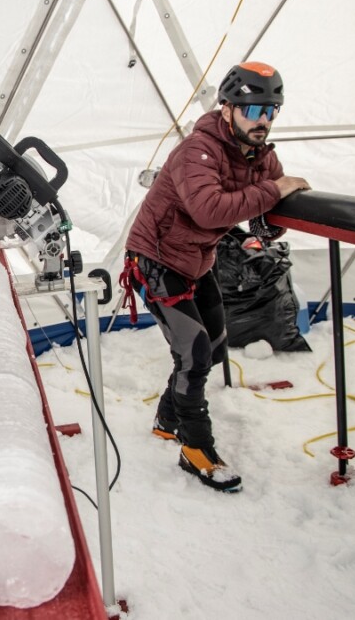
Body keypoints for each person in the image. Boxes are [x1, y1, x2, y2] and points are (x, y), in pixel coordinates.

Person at [121, 61, 311, 493]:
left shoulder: (262, 155)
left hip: (197, 260)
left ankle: (168, 418)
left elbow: (267, 212)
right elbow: (209, 209)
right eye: (254, 109)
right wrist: (273, 192)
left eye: (271, 110)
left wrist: (271, 221)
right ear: (227, 108)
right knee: (196, 353)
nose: (263, 121)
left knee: (216, 348)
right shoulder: (198, 151)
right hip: (156, 259)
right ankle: (196, 448)